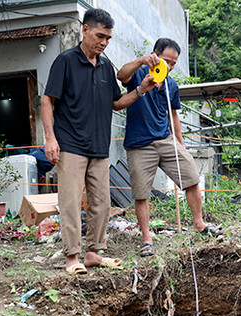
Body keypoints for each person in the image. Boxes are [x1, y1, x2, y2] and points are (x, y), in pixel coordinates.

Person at [42, 8, 157, 275]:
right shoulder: (66, 61)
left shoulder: (106, 66)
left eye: (108, 38)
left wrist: (141, 89)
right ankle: (72, 256)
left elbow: (116, 104)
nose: (104, 42)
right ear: (85, 30)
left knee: (101, 203)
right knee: (70, 202)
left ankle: (93, 253)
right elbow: (48, 100)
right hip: (70, 145)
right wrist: (50, 138)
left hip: (99, 146)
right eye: (100, 35)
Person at [117, 38, 223, 257]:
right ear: (154, 55)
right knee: (141, 193)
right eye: (167, 61)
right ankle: (146, 238)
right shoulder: (138, 74)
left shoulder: (171, 84)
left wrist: (180, 143)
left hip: (166, 140)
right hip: (139, 144)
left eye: (174, 63)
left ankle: (199, 223)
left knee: (191, 177)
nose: (170, 66)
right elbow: (121, 75)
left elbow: (173, 115)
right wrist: (141, 61)